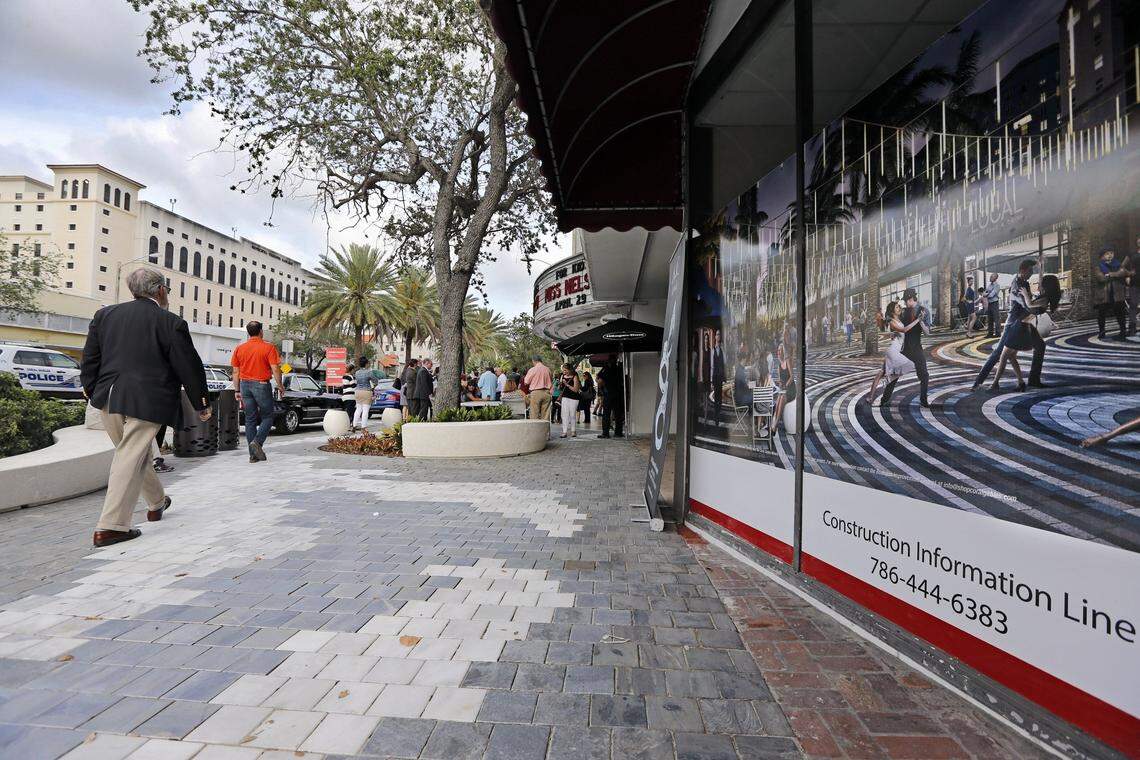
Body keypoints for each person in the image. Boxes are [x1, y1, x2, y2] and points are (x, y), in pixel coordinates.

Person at [81, 268, 210, 548]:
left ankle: (156, 502)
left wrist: (91, 391)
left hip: (108, 397)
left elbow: (90, 358)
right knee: (129, 456)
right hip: (148, 399)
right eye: (168, 291)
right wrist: (201, 402)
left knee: (131, 454)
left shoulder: (105, 315)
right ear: (161, 290)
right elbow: (188, 365)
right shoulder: (170, 322)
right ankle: (111, 527)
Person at [988, 267, 1059, 391]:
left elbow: (1030, 304)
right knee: (1012, 356)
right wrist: (1041, 267)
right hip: (1024, 325)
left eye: (1040, 284)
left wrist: (1025, 294)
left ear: (1046, 287)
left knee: (1004, 356)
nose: (1038, 285)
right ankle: (1022, 382)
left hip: (1019, 327)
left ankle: (995, 384)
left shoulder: (1044, 300)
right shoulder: (1044, 298)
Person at [231, 321, 285, 462]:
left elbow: (235, 371)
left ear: (248, 332)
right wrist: (280, 385)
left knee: (250, 419)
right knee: (268, 416)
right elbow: (275, 368)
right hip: (261, 384)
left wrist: (237, 390)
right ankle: (257, 442)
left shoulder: (239, 349)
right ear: (261, 331)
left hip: (244, 385)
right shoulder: (268, 347)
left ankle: (253, 456)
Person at [878, 289, 930, 408]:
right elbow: (893, 321)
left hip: (916, 348)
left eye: (906, 301)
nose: (905, 304)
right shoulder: (903, 312)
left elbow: (927, 333)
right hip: (904, 349)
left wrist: (921, 321)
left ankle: (923, 400)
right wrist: (893, 331)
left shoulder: (924, 311)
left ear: (911, 299)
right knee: (895, 374)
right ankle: (884, 400)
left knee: (924, 375)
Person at [864, 301, 921, 405]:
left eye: (899, 306)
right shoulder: (892, 322)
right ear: (892, 311)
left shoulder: (898, 320)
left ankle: (870, 397)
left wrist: (893, 334)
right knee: (910, 364)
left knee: (880, 374)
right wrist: (918, 320)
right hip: (893, 351)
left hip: (895, 350)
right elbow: (904, 330)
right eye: (896, 307)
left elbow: (898, 331)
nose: (899, 308)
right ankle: (887, 380)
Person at [1093, 247, 1128, 340]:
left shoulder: (1118, 264)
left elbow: (1123, 273)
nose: (1110, 255)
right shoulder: (1098, 266)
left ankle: (1123, 331)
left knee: (1120, 313)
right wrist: (1116, 274)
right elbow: (1101, 278)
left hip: (1117, 294)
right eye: (1107, 253)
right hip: (1104, 295)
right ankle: (1102, 331)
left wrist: (1110, 274)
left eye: (1111, 253)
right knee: (1101, 314)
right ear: (1102, 256)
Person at [351, 357, 384, 430]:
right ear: (366, 364)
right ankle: (363, 427)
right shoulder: (369, 372)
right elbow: (376, 381)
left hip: (358, 391)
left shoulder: (357, 372)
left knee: (358, 409)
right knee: (365, 410)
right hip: (366, 391)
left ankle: (354, 425)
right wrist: (373, 388)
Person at [598, 356, 626, 438]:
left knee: (606, 414)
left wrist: (601, 387)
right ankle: (618, 432)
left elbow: (599, 380)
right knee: (618, 414)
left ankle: (605, 433)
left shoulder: (606, 369)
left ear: (608, 361)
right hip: (618, 394)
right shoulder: (619, 369)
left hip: (608, 394)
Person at [522, 355, 553, 421]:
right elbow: (551, 381)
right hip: (547, 393)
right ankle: (545, 428)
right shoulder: (548, 369)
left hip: (536, 393)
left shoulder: (532, 369)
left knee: (534, 415)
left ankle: (535, 427)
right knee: (545, 416)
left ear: (533, 361)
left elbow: (526, 382)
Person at [557, 364, 581, 438]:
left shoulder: (575, 376)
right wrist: (560, 384)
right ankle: (564, 432)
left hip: (574, 398)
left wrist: (567, 384)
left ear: (570, 370)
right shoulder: (562, 376)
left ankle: (573, 431)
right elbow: (560, 388)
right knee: (564, 415)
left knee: (572, 414)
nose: (564, 372)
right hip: (565, 397)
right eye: (563, 370)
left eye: (565, 370)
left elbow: (576, 390)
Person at [710, 329, 725, 425]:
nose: (718, 336)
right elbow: (712, 366)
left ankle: (718, 413)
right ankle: (716, 417)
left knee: (720, 398)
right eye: (717, 334)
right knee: (716, 397)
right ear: (715, 337)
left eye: (719, 334)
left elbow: (724, 363)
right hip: (715, 376)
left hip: (720, 377)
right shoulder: (712, 350)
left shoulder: (723, 350)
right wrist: (711, 380)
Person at [983, 272, 1001, 338]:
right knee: (990, 319)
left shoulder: (997, 285)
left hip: (994, 303)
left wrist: (986, 294)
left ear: (995, 278)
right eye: (990, 276)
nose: (990, 277)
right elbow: (984, 293)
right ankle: (990, 333)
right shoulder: (989, 285)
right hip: (990, 303)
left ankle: (998, 333)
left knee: (996, 319)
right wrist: (986, 294)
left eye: (992, 277)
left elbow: (991, 295)